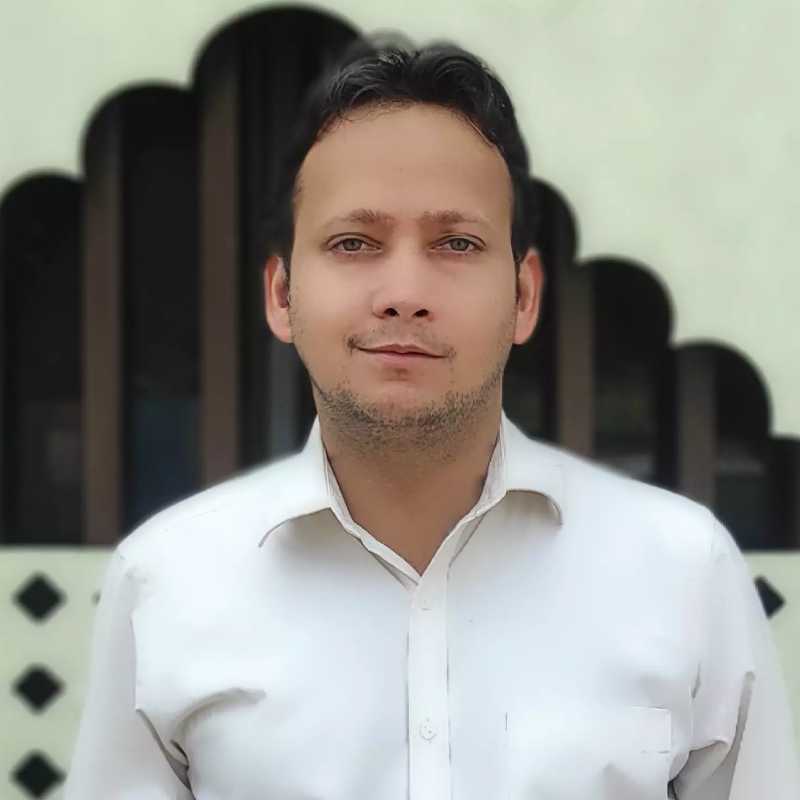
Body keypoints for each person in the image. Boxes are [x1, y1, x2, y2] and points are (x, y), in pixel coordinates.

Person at [63, 32, 799, 800]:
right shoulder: (168, 580)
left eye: (456, 243)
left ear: (525, 296)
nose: (405, 293)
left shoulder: (683, 571)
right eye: (354, 242)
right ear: (281, 295)